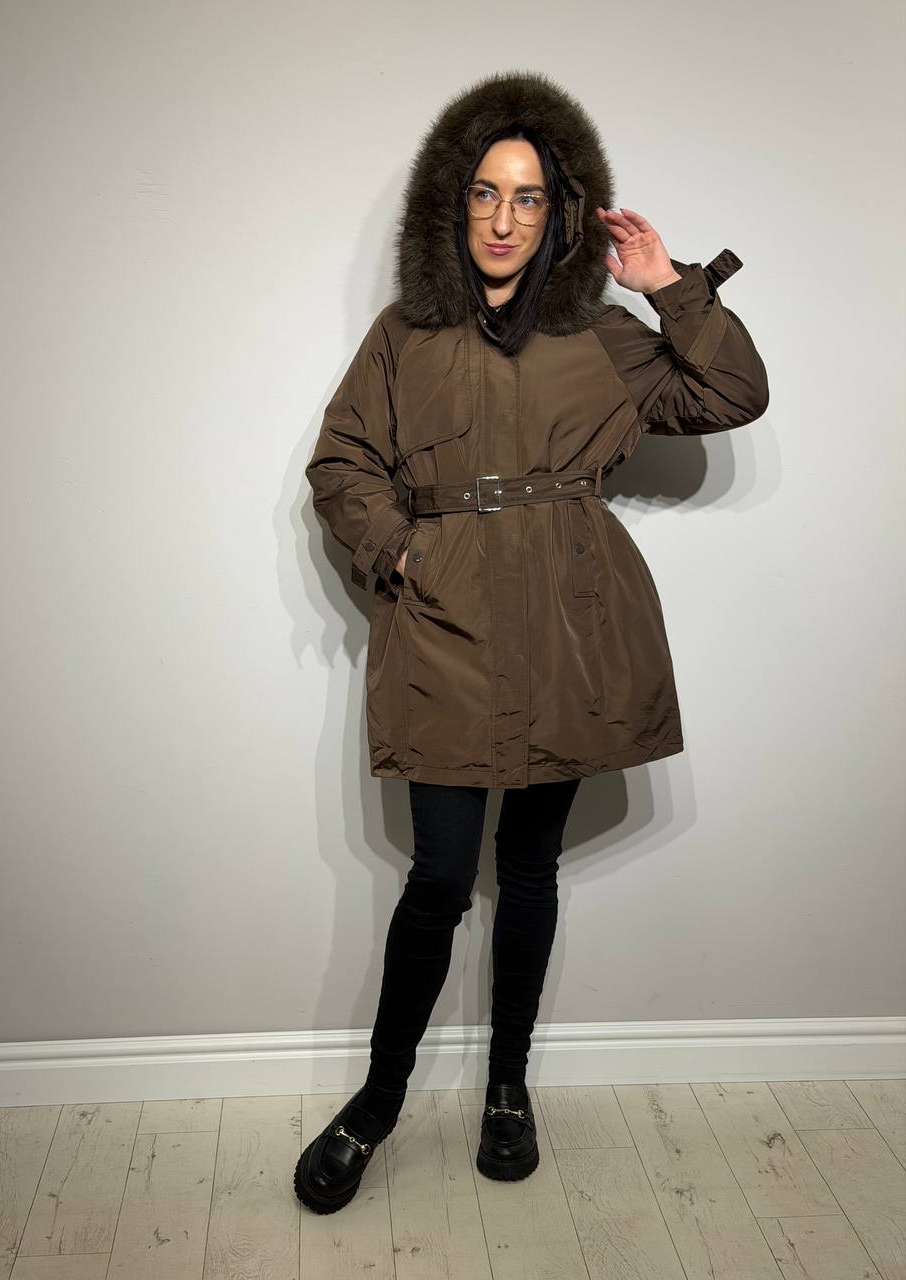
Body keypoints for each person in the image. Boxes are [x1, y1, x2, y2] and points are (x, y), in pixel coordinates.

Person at [295, 70, 769, 1214]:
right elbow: (342, 460)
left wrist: (670, 286)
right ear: (450, 207)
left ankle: (507, 1087)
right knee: (439, 875)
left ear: (561, 211)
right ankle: (379, 1099)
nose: (504, 219)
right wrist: (403, 552)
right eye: (483, 194)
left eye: (528, 197)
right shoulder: (405, 336)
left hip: (570, 620)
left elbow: (730, 393)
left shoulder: (600, 334)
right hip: (446, 624)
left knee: (529, 868)